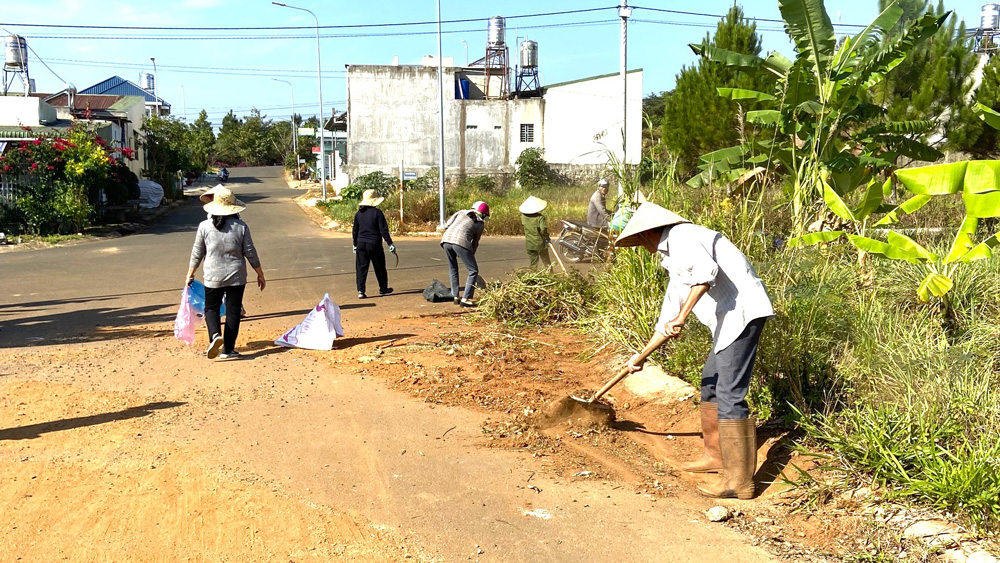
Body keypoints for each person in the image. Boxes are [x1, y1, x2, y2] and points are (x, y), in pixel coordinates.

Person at [614, 202, 773, 500]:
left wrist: (682, 316)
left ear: (648, 234)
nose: (640, 247)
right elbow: (670, 309)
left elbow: (704, 275)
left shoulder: (684, 236)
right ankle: (716, 456)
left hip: (743, 314)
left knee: (729, 393)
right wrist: (641, 356)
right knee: (710, 384)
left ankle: (739, 482)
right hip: (727, 320)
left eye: (638, 241)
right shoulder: (672, 254)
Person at [185, 186, 265, 360]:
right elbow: (250, 251)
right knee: (233, 310)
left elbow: (197, 252)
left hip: (212, 276)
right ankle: (228, 349)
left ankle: (215, 335)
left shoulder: (204, 226)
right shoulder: (241, 227)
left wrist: (190, 274)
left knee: (211, 308)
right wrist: (260, 273)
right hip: (237, 276)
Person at [440, 201, 489, 307]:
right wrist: (470, 254)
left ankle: (455, 296)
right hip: (461, 242)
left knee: (453, 268)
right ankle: (466, 298)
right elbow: (475, 242)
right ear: (483, 214)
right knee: (473, 270)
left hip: (446, 240)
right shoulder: (479, 223)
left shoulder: (461, 212)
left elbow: (446, 226)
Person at [352, 189, 395, 299]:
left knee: (361, 268)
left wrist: (355, 244)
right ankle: (383, 288)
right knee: (380, 267)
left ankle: (361, 291)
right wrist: (390, 243)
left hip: (361, 243)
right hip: (374, 244)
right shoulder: (377, 213)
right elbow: (383, 230)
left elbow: (355, 230)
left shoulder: (358, 214)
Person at [519, 195, 551, 269]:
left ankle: (532, 277)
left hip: (530, 243)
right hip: (540, 243)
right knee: (546, 262)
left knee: (533, 264)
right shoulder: (540, 217)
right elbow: (543, 229)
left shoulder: (523, 217)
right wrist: (547, 238)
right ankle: (550, 273)